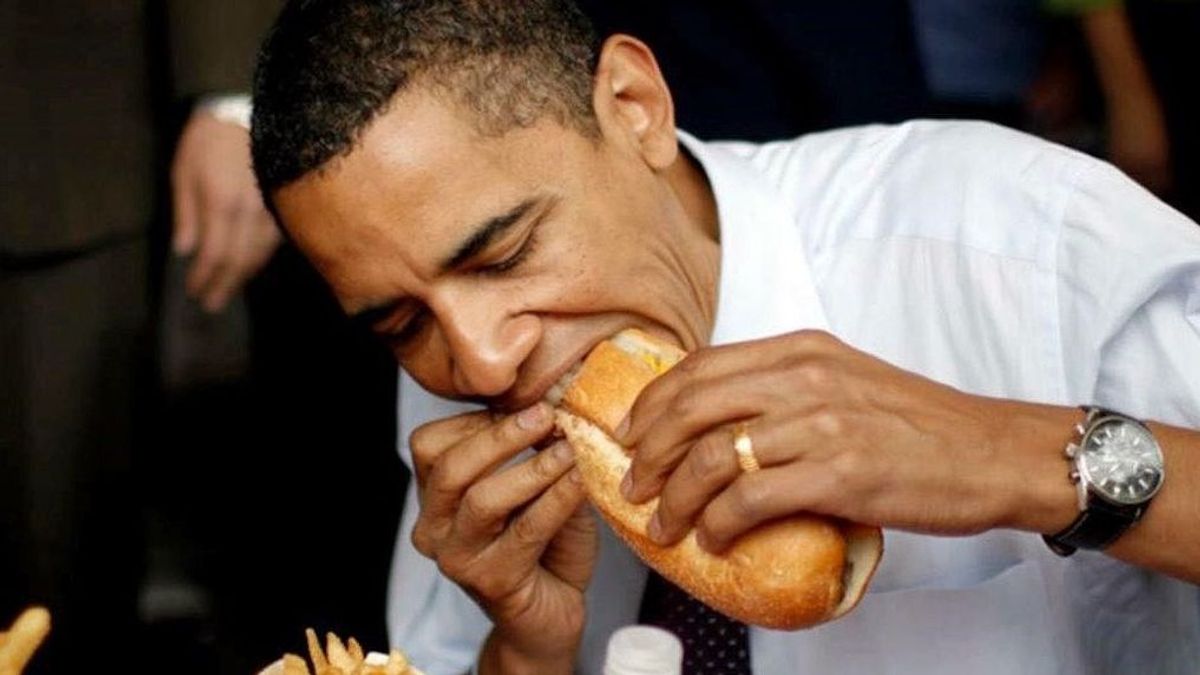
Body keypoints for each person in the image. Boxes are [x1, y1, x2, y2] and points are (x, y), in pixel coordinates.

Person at [248, 1, 1200, 674]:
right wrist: (528, 650)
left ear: (634, 108)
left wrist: (1019, 457)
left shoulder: (1007, 237)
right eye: (402, 322)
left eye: (504, 254)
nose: (482, 361)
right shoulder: (456, 378)